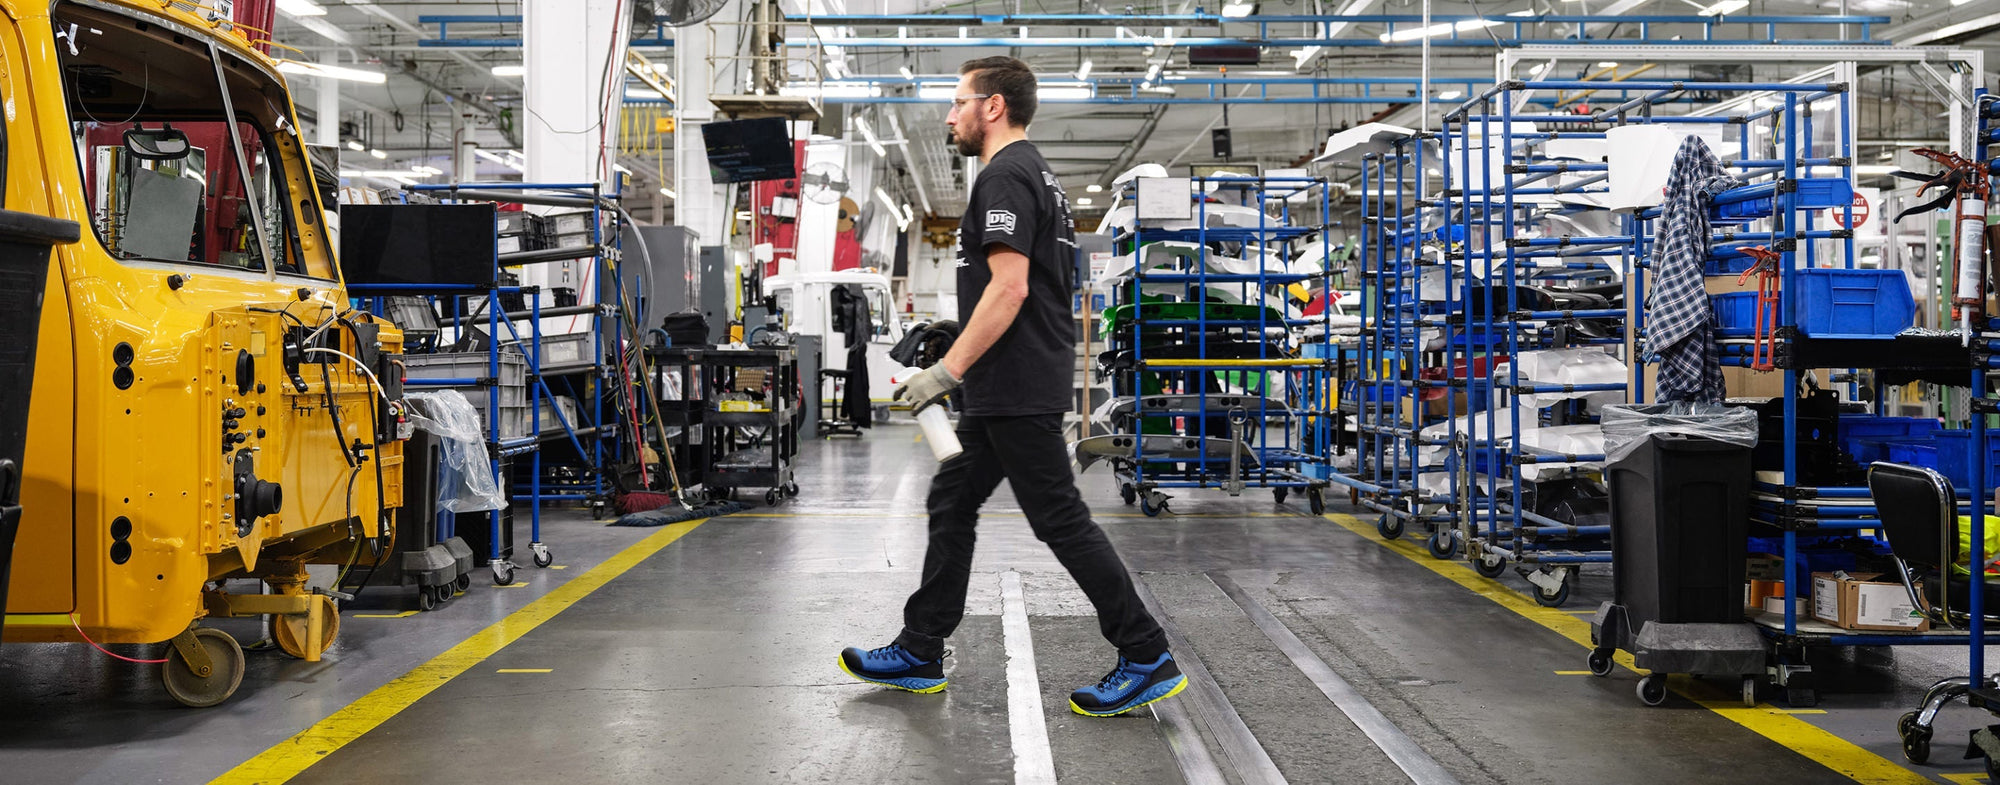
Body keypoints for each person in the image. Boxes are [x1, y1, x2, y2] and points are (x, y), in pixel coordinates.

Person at [837, 55, 1186, 718]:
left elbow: (1010, 286)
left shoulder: (1004, 175)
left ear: (992, 105)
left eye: (958, 101)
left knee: (1058, 517)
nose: (949, 114)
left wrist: (947, 370)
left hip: (1016, 382)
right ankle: (920, 646)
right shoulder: (1038, 176)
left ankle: (1145, 651)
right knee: (952, 501)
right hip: (1011, 381)